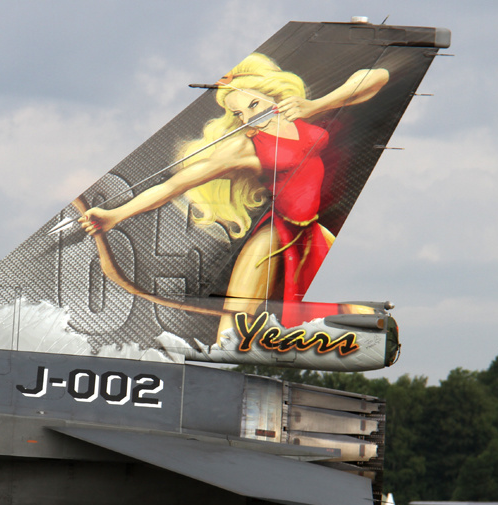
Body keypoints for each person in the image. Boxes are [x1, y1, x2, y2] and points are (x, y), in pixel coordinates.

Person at [79, 54, 388, 336]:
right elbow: (175, 186)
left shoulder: (299, 116)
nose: (247, 119)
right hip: (273, 237)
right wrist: (114, 215)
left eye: (253, 106)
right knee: (233, 328)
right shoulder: (243, 147)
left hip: (311, 232)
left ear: (272, 96)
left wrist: (317, 105)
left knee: (297, 317)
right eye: (238, 113)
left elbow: (378, 76)